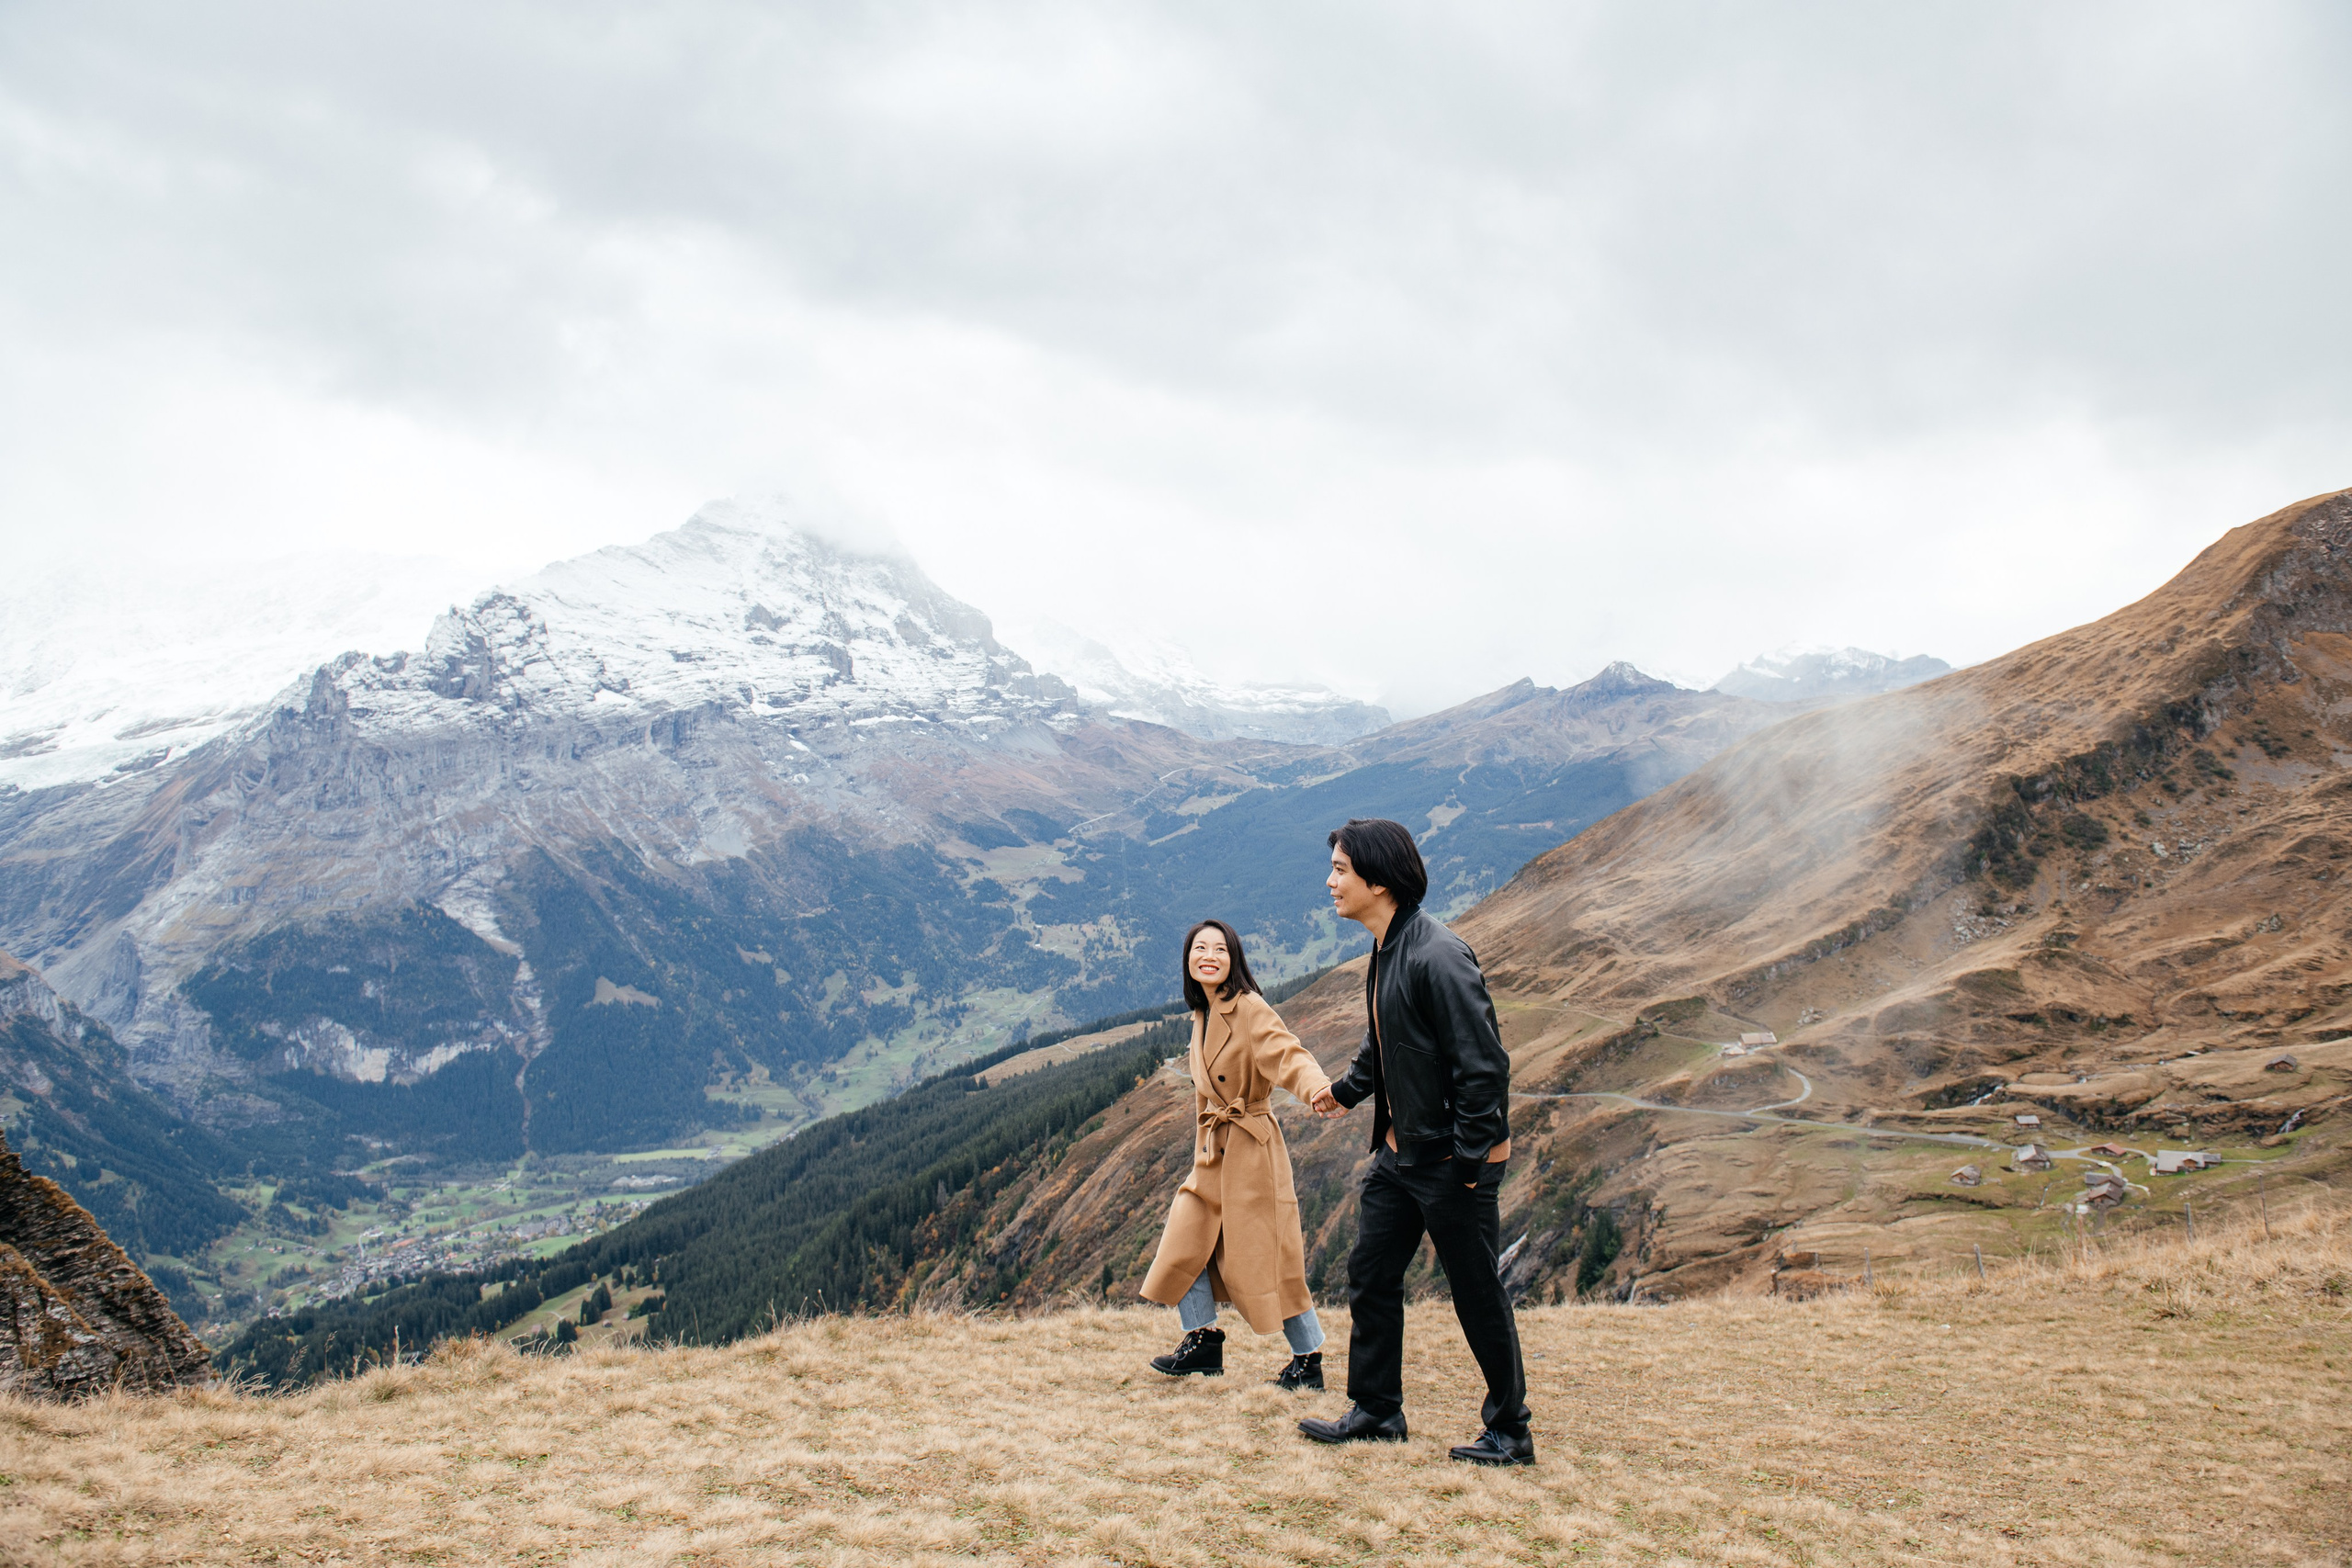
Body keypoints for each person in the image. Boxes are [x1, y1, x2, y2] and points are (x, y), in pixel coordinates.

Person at [1299, 818, 1533, 1466]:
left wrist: (1468, 1162)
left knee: (1476, 1291)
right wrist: (1346, 1091)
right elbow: (1386, 1038)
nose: (1331, 882)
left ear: (1379, 879)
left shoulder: (1439, 955)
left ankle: (1511, 1431)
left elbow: (1484, 1067)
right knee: (1371, 1272)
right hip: (1402, 1155)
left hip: (1449, 1160)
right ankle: (1377, 1409)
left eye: (1341, 870)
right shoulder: (1388, 945)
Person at [1138, 919, 1338, 1389]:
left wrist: (1317, 1089)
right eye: (1200, 949)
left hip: (1252, 1153)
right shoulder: (1203, 1013)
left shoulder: (1248, 1008)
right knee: (1185, 1237)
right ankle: (1204, 1339)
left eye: (1219, 949)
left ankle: (1308, 1361)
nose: (1209, 956)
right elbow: (1204, 1097)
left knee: (1269, 1260)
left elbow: (1287, 1053)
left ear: (1234, 960)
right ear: (1188, 959)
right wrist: (1200, 1151)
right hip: (1213, 1153)